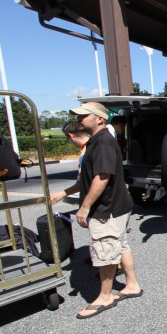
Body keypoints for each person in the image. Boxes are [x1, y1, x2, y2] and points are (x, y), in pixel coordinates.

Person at [70, 102, 143, 319]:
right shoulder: (100, 141)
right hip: (118, 206)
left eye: (84, 116)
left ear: (99, 118)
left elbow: (102, 178)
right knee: (120, 246)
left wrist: (85, 207)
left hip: (107, 209)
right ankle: (132, 285)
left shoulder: (102, 143)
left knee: (106, 253)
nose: (79, 120)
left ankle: (105, 296)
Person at [50, 121, 89, 205]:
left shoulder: (85, 153)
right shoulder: (96, 145)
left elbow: (82, 183)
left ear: (71, 136)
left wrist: (62, 194)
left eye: (67, 139)